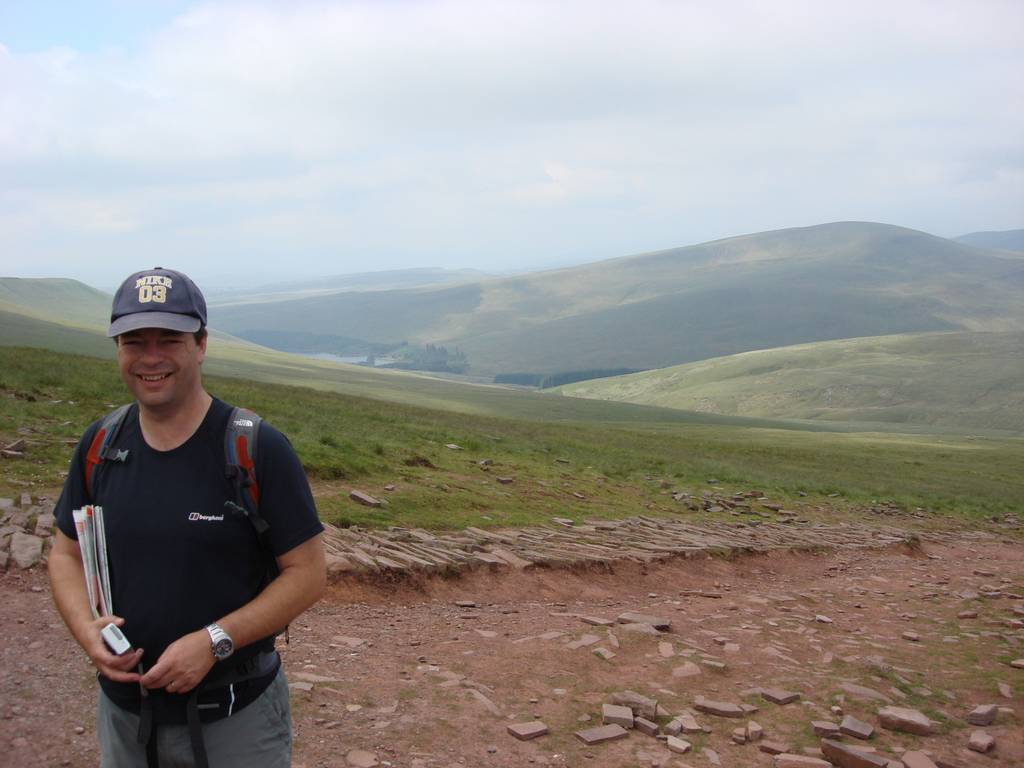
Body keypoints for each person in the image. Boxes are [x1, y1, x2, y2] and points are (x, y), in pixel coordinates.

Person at [49, 267, 326, 767]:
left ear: (200, 344)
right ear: (118, 350)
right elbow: (66, 552)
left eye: (168, 339)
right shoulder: (101, 444)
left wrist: (215, 642)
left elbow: (307, 575)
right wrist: (86, 631)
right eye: (134, 341)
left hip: (235, 722)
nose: (150, 357)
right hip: (126, 720)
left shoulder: (255, 448)